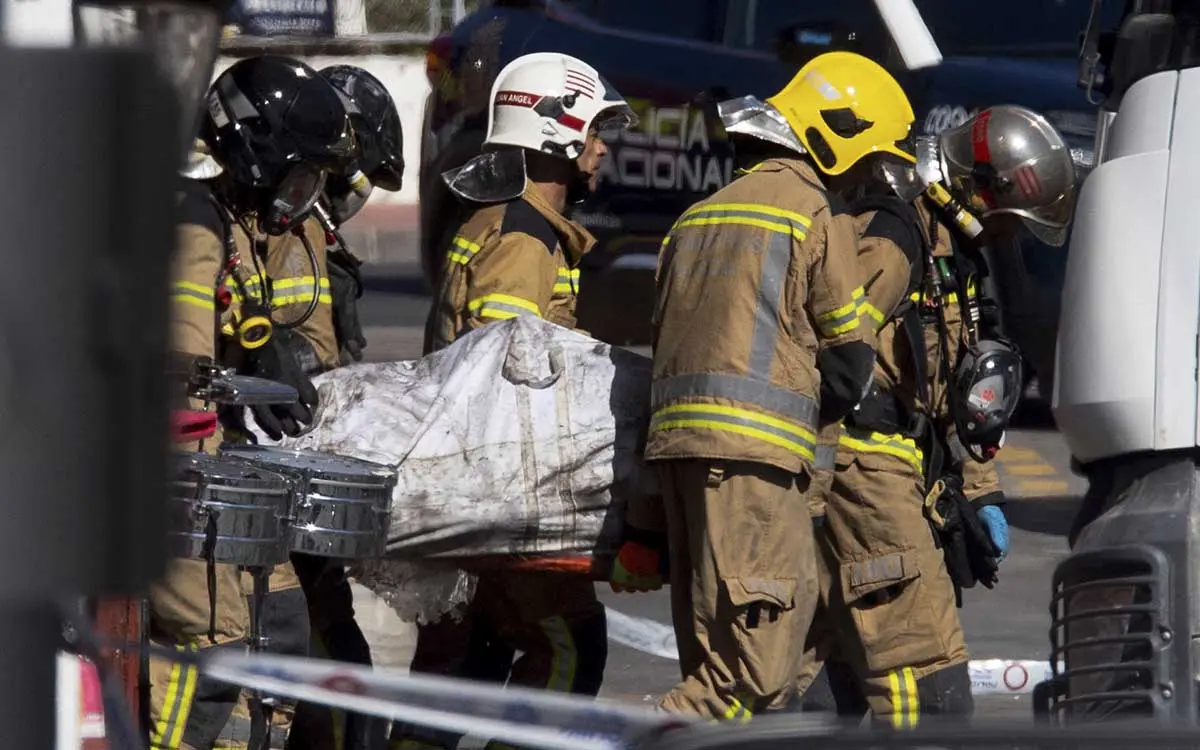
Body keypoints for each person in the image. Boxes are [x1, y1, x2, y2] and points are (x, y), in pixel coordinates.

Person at [627, 51, 915, 722]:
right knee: (748, 678)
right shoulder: (814, 213)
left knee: (718, 660)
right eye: (868, 158)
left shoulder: (694, 218)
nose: (867, 178)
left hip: (679, 466)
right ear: (839, 138)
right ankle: (615, 741)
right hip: (753, 471)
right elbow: (847, 360)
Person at [788, 105, 1078, 727]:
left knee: (834, 674)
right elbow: (826, 363)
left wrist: (979, 489)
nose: (1006, 240)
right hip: (863, 470)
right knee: (929, 676)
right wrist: (807, 498)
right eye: (1006, 223)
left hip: (894, 467)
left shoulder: (953, 246)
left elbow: (955, 381)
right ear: (980, 189)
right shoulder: (897, 233)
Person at [390, 51, 636, 750]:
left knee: (463, 665)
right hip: (500, 496)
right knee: (568, 648)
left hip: (468, 488)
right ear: (556, 137)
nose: (603, 149)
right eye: (593, 133)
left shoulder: (503, 223)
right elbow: (505, 377)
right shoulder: (524, 240)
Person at [189, 54, 355, 750]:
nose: (304, 194)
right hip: (190, 473)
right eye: (298, 173)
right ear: (255, 154)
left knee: (287, 631)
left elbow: (310, 342)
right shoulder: (190, 223)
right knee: (227, 650)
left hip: (252, 473)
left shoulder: (277, 229)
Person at [280, 63, 407, 750]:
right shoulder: (282, 235)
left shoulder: (312, 237)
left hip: (308, 471)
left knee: (341, 667)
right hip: (282, 473)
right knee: (323, 660)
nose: (349, 199)